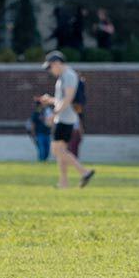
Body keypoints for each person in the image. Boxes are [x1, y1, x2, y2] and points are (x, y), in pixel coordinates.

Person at [38, 51, 96, 188]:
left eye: (50, 67)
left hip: (65, 118)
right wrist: (50, 100)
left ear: (57, 63)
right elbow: (61, 99)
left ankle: (84, 172)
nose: (50, 70)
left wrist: (54, 113)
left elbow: (68, 99)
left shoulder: (69, 76)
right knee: (61, 150)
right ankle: (63, 182)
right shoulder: (63, 77)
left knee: (56, 150)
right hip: (64, 116)